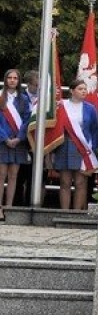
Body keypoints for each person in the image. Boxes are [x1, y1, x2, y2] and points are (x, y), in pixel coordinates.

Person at [51, 77, 98, 210]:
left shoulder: (90, 109)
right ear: (72, 91)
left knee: (80, 182)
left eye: (85, 89)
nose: (84, 91)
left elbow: (95, 130)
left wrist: (93, 148)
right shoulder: (61, 105)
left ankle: (76, 212)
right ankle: (64, 212)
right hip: (65, 146)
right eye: (80, 89)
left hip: (83, 148)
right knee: (65, 182)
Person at [0, 68, 33, 212]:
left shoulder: (24, 99)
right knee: (1, 175)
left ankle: (9, 207)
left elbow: (27, 120)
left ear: (19, 81)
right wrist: (5, 138)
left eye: (15, 78)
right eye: (9, 78)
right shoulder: (0, 97)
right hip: (2, 141)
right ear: (5, 80)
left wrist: (19, 137)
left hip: (18, 142)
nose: (12, 80)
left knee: (13, 175)